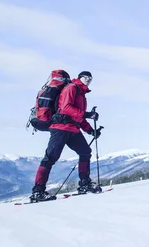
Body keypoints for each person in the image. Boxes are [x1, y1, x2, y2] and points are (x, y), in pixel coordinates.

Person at [30, 71, 102, 202]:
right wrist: (87, 114)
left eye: (91, 78)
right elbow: (66, 108)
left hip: (72, 128)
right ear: (80, 78)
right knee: (50, 158)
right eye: (86, 78)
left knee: (85, 152)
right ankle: (38, 191)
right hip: (60, 128)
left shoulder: (81, 93)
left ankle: (85, 184)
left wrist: (91, 131)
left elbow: (77, 116)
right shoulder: (71, 88)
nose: (89, 80)